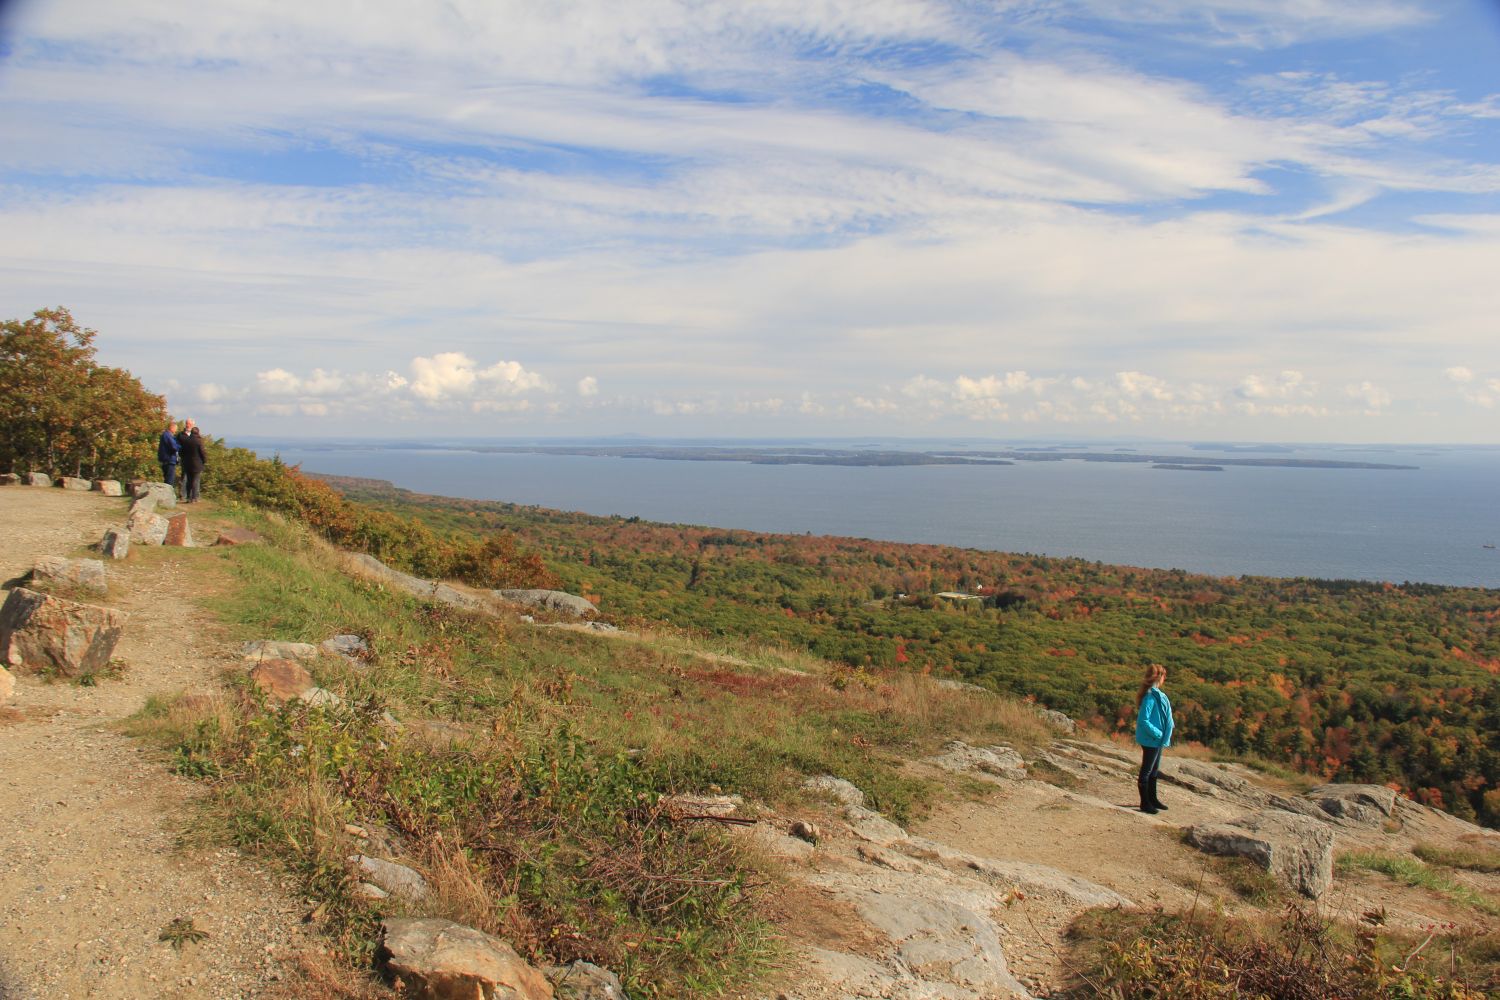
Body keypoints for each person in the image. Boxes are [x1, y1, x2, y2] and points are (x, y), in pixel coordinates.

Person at [1134, 663, 1173, 814]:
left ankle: (1153, 799)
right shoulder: (1150, 696)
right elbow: (1144, 720)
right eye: (1164, 676)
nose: (1165, 679)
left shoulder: (1155, 694)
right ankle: (1145, 803)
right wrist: (1158, 734)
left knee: (1154, 770)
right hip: (1152, 740)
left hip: (1157, 740)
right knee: (1147, 770)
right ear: (1159, 677)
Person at [180, 426, 207, 503]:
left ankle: (188, 497)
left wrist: (184, 459)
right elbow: (202, 453)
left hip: (187, 463)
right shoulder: (199, 441)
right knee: (195, 480)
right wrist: (204, 461)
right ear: (198, 433)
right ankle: (194, 498)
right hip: (197, 464)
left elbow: (182, 452)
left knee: (189, 480)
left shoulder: (186, 440)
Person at [157, 420, 181, 488]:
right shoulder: (167, 435)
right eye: (176, 428)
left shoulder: (167, 435)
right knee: (169, 481)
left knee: (168, 480)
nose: (176, 430)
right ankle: (168, 496)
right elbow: (174, 447)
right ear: (172, 428)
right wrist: (179, 446)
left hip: (167, 460)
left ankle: (166, 495)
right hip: (169, 460)